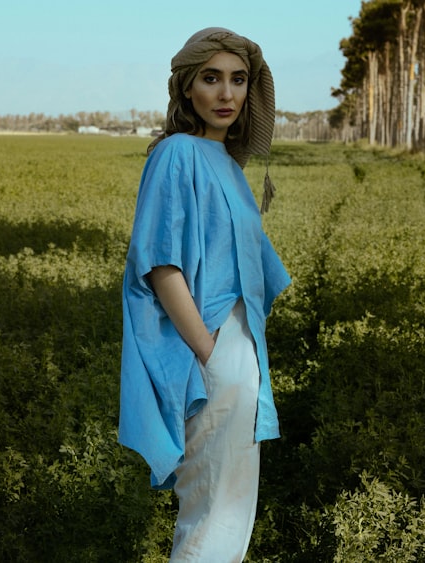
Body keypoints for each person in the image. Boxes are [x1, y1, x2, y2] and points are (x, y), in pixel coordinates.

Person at [118, 27, 291, 562]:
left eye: (238, 80)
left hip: (239, 354)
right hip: (212, 353)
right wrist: (210, 353)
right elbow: (162, 265)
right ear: (187, 87)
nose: (226, 94)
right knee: (212, 515)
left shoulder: (230, 167)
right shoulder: (177, 154)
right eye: (210, 78)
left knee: (229, 512)